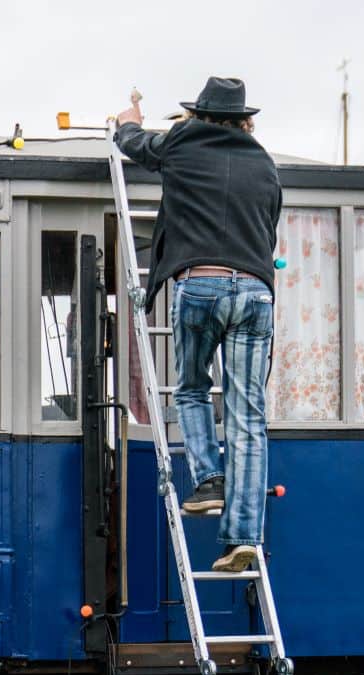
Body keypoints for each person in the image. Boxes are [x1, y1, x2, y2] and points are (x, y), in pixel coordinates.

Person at [115, 78, 282, 572]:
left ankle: (209, 479)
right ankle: (244, 535)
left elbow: (135, 145)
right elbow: (270, 225)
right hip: (255, 293)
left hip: (200, 286)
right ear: (243, 120)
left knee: (191, 389)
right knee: (248, 418)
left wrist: (129, 121)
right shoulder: (264, 163)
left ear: (201, 115)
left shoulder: (184, 143)